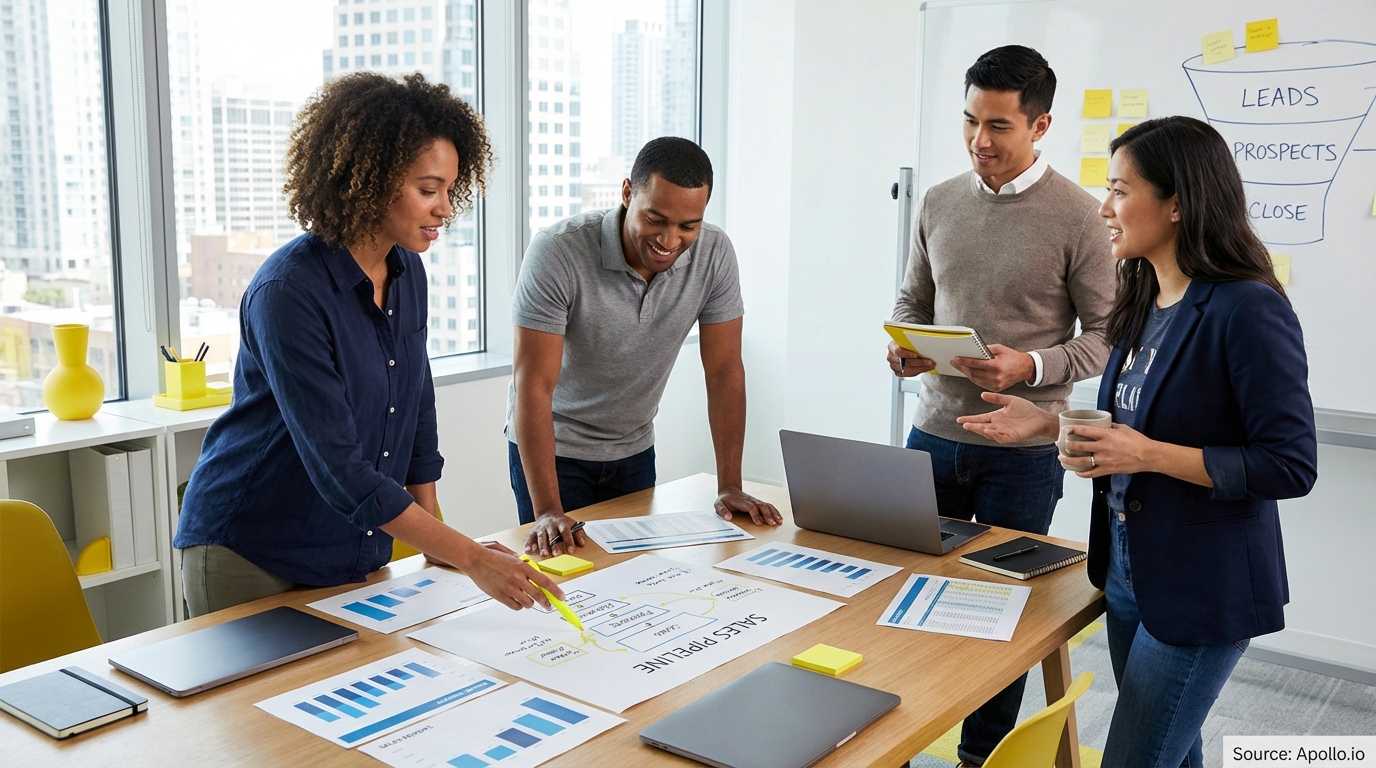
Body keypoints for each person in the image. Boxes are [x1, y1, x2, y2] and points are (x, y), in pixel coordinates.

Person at [958, 116, 1318, 766]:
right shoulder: (1143, 297)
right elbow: (1129, 432)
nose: (1104, 209)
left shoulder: (1247, 308)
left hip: (1202, 587)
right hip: (1128, 570)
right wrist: (1048, 424)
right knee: (1172, 755)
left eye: (1120, 191)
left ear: (1177, 202)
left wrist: (1145, 456)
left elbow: (1288, 465)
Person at [174, 72, 563, 618]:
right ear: (370, 181)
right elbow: (342, 470)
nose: (445, 209)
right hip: (250, 553)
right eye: (428, 190)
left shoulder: (408, 273)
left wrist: (439, 545)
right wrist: (472, 557)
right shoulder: (287, 292)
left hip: (349, 548)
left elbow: (415, 407)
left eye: (450, 190)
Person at [886, 45, 1116, 765]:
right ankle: (901, 736)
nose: (979, 140)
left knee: (1000, 621)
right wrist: (901, 349)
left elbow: (1111, 334)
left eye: (999, 126)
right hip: (931, 438)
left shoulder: (1082, 217)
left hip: (1021, 454)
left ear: (1041, 124)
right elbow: (910, 302)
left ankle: (978, 757)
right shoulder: (939, 201)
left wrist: (1036, 364)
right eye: (968, 121)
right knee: (904, 603)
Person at [509, 136, 782, 558]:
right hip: (558, 449)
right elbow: (533, 385)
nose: (670, 240)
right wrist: (547, 509)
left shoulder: (714, 254)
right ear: (626, 193)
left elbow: (725, 370)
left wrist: (729, 485)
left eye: (688, 225)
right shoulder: (558, 251)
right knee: (566, 578)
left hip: (634, 449)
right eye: (656, 219)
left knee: (630, 579)